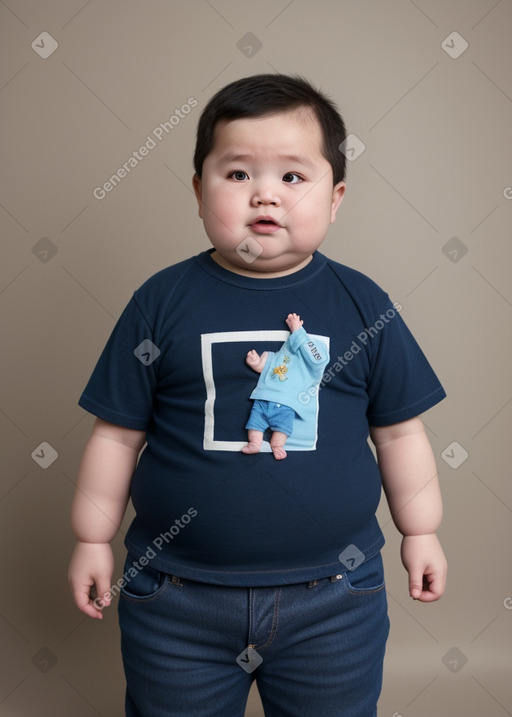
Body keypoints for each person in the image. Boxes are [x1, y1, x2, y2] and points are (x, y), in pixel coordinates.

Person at [68, 74, 447, 717]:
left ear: (336, 198)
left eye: (294, 178)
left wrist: (422, 530)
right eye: (238, 174)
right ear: (198, 192)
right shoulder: (160, 303)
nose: (265, 195)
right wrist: (91, 539)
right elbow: (117, 434)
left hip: (336, 596)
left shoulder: (364, 305)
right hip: (176, 596)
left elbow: (399, 433)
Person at [242, 312, 329, 459]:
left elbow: (317, 360)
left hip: (286, 405)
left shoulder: (310, 366)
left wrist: (298, 331)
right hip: (263, 399)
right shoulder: (285, 357)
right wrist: (256, 363)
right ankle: (254, 443)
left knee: (282, 430)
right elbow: (269, 367)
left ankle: (277, 446)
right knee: (254, 425)